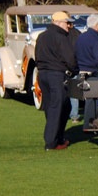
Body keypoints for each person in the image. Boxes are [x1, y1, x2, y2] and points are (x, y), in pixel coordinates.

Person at [35, 11, 78, 150]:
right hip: (56, 75)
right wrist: (75, 70)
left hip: (43, 74)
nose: (69, 26)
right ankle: (51, 142)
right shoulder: (61, 37)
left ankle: (57, 137)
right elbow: (70, 58)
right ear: (59, 23)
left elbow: (37, 55)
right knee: (58, 107)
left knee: (52, 106)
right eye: (67, 23)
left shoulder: (41, 36)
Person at [74, 14, 98, 129]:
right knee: (93, 99)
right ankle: (91, 124)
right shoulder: (95, 40)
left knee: (90, 99)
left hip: (81, 71)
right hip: (92, 72)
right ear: (97, 25)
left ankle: (92, 124)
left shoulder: (81, 37)